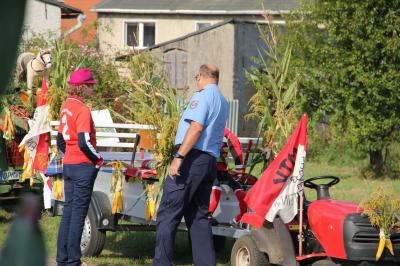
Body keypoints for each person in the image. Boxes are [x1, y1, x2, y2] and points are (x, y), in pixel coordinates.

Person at [153, 64, 229, 266]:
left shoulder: (202, 96)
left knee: (168, 214)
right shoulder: (223, 101)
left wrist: (179, 157)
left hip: (191, 160)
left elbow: (196, 128)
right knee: (198, 219)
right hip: (208, 162)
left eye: (196, 77)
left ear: (201, 76)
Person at [56, 68, 103, 266]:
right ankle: (74, 261)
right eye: (91, 86)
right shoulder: (83, 110)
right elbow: (84, 142)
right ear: (83, 87)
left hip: (69, 165)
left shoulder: (66, 106)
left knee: (68, 212)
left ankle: (62, 259)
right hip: (83, 166)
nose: (93, 89)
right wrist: (98, 159)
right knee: (78, 215)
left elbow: (60, 140)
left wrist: (70, 154)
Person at [208, 128, 247, 226]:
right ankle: (208, 214)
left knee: (239, 190)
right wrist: (239, 165)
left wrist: (238, 167)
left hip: (223, 172)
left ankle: (241, 216)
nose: (225, 153)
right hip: (213, 172)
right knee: (216, 193)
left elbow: (234, 142)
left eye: (225, 151)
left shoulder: (223, 133)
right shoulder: (210, 132)